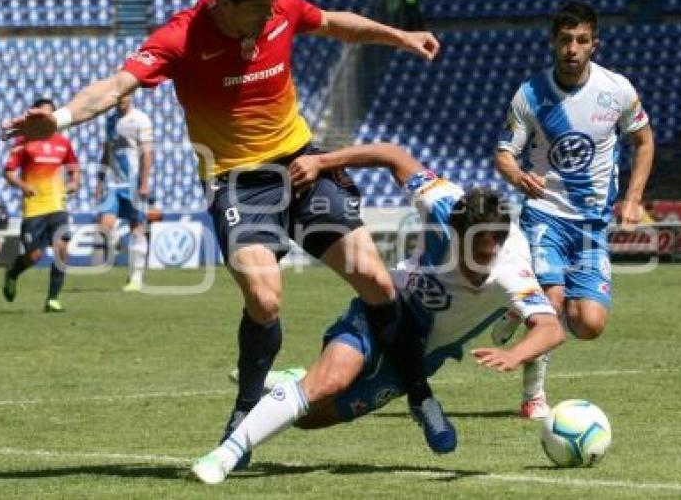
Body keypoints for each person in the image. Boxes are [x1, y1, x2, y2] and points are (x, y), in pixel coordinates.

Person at [1, 0, 446, 462]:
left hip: (300, 162)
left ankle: (420, 394)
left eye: (270, 8)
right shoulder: (180, 36)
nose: (267, 19)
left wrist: (400, 37)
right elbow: (116, 83)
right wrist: (58, 121)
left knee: (374, 279)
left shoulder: (278, 4)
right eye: (256, 11)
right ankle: (247, 406)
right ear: (221, 1)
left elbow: (333, 22)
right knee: (265, 298)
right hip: (237, 180)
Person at [190, 143, 565, 484]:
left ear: (499, 242)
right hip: (384, 311)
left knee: (308, 419)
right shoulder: (442, 203)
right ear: (454, 230)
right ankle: (224, 455)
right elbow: (393, 155)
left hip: (423, 353)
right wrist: (321, 161)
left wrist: (516, 354)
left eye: (486, 254)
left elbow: (550, 328)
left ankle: (297, 380)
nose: (478, 264)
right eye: (470, 251)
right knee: (328, 383)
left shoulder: (513, 268)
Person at [493, 0, 655, 419]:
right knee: (553, 301)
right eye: (565, 40)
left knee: (589, 324)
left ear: (594, 44)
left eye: (581, 40)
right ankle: (533, 396)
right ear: (554, 42)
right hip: (545, 213)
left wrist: (634, 198)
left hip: (592, 223)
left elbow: (644, 142)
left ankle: (517, 302)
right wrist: (517, 178)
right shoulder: (530, 94)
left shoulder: (616, 90)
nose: (572, 48)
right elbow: (504, 154)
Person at [2, 98, 80, 312]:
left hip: (57, 205)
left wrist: (74, 182)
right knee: (34, 255)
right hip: (34, 207)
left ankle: (52, 299)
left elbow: (74, 167)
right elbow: (8, 172)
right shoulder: (23, 142)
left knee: (62, 249)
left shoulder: (63, 142)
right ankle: (13, 273)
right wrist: (23, 186)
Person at [95, 92, 153, 292]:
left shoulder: (140, 119)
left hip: (132, 183)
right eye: (118, 97)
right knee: (104, 226)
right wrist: (100, 181)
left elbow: (147, 153)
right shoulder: (110, 120)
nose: (121, 101)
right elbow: (106, 151)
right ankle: (116, 243)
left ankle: (136, 278)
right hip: (113, 183)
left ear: (131, 96)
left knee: (136, 227)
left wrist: (144, 183)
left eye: (125, 96)